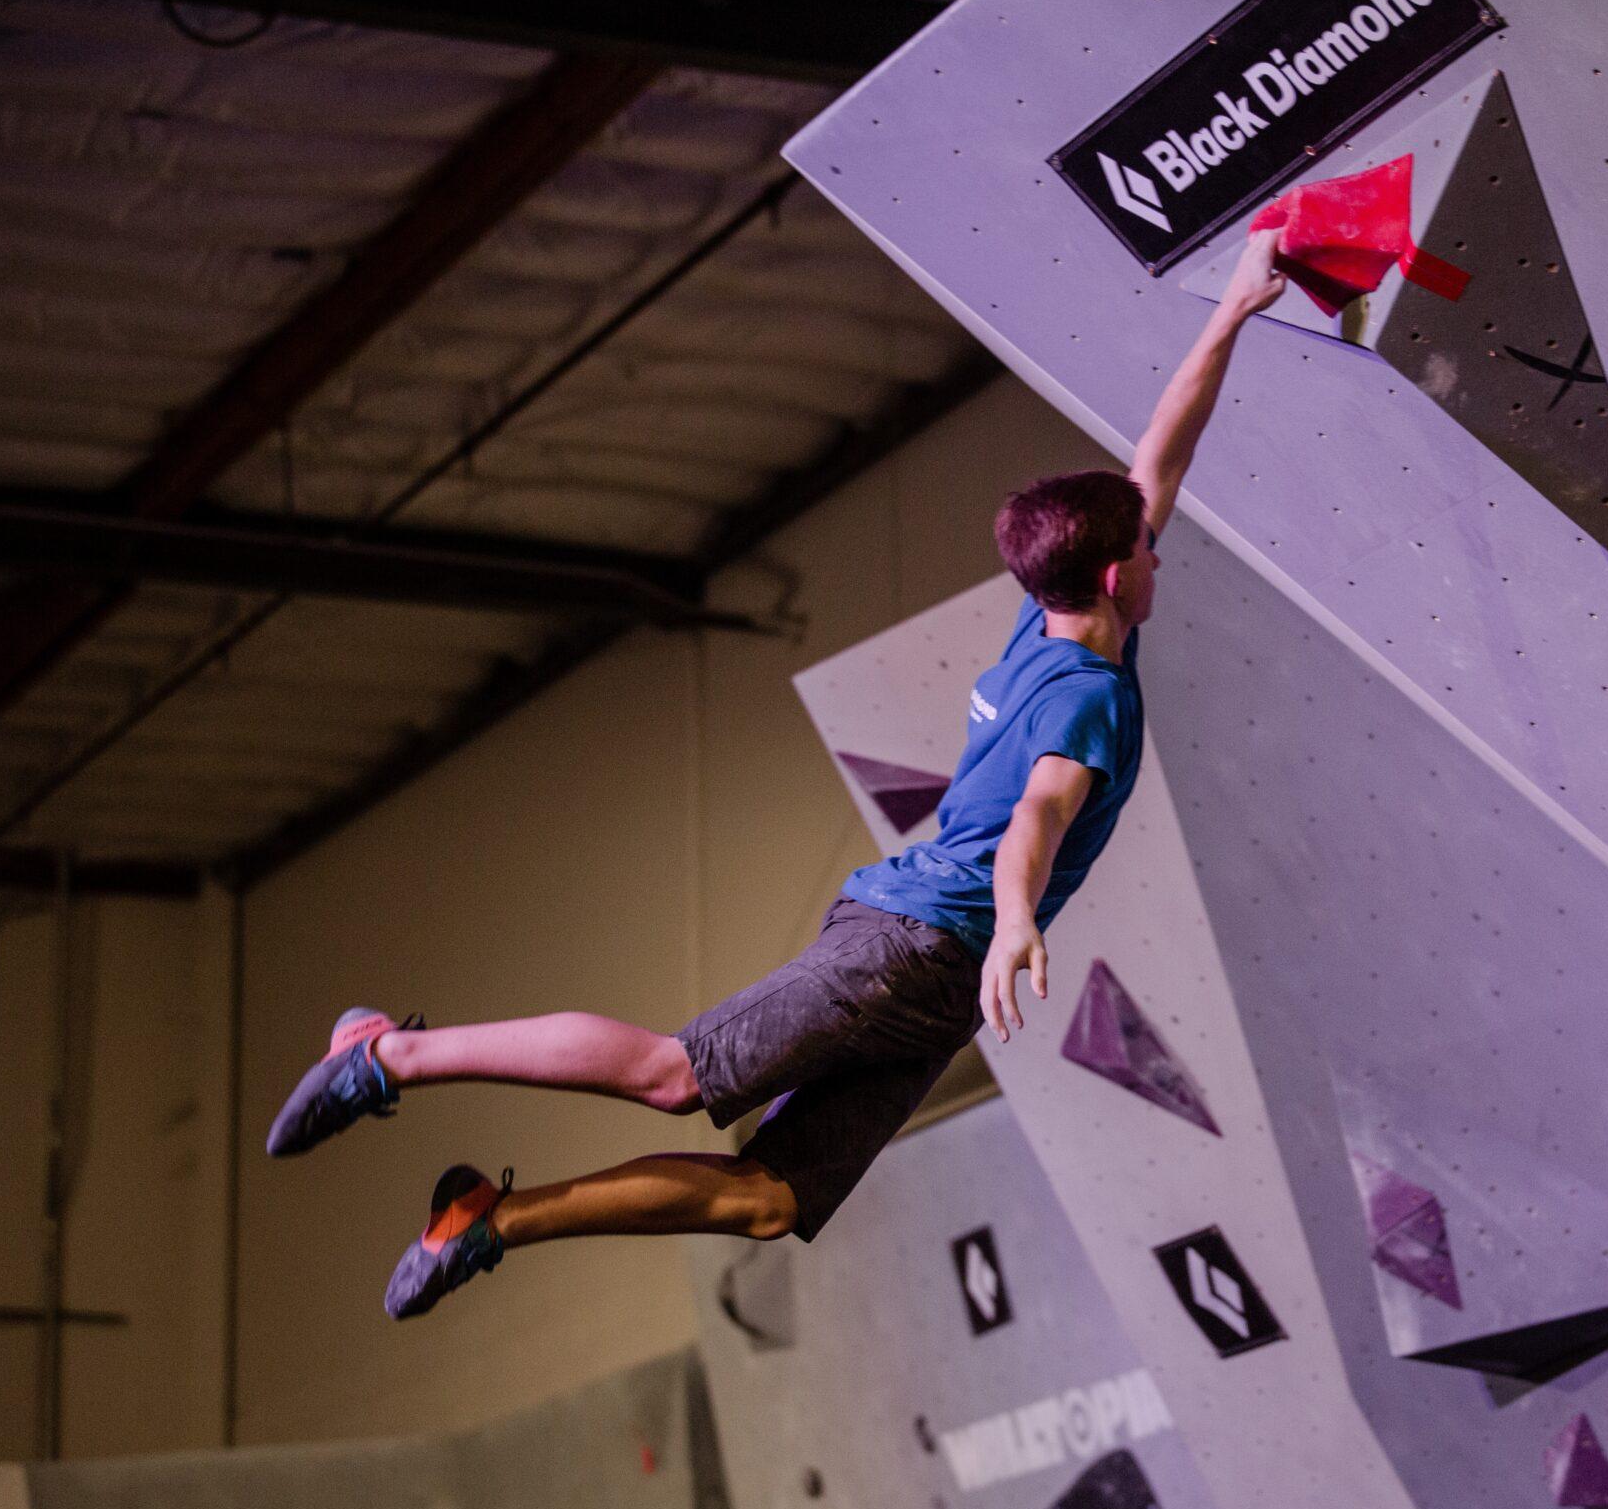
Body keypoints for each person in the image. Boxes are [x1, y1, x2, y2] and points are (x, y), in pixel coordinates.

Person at [265, 224, 1292, 1318]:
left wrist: (1232, 311)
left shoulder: (1056, 627)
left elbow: (1157, 458)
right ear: (1112, 570)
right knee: (674, 1076)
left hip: (931, 978)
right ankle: (386, 1059)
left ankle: (492, 1224)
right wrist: (1015, 918)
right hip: (912, 949)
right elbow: (1039, 811)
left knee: (767, 1200)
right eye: (1148, 547)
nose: (1159, 548)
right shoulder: (1088, 690)